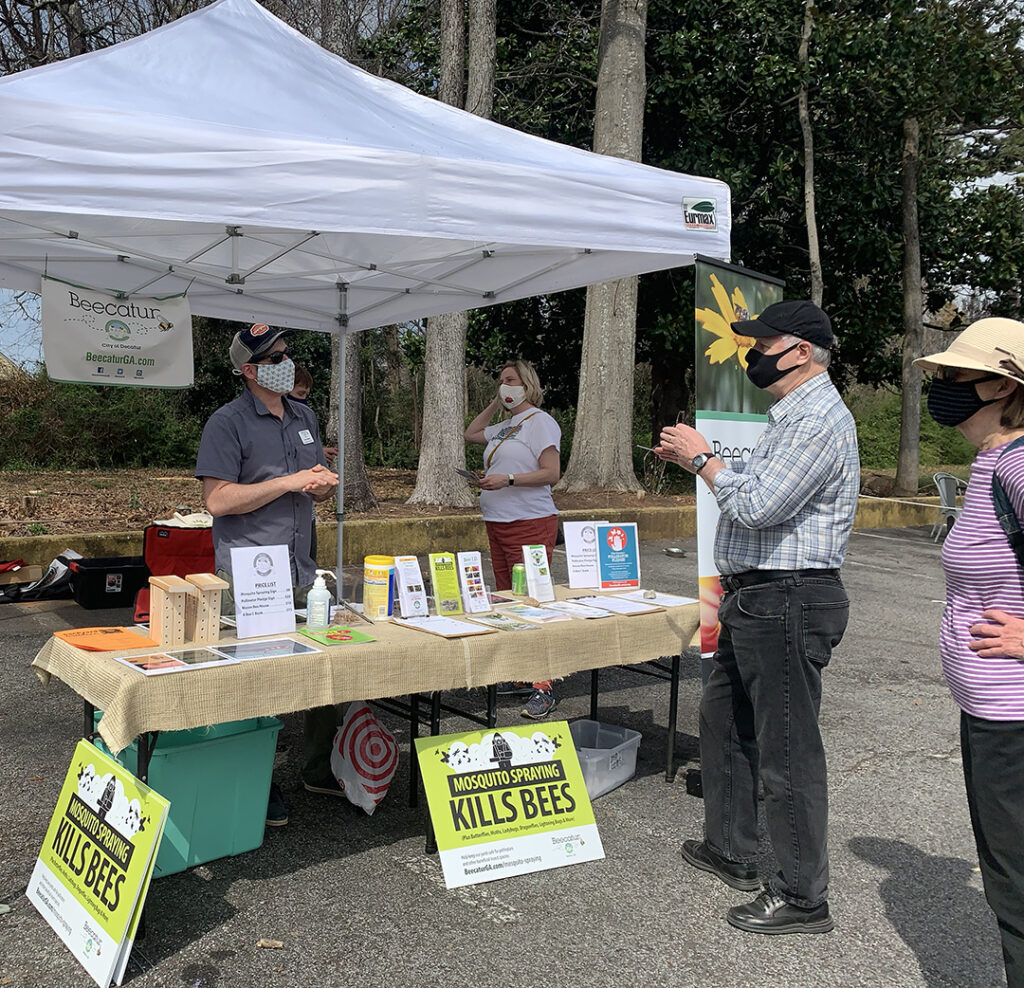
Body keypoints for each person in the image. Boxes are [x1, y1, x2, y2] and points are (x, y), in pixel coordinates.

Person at [656, 299, 859, 934]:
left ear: (800, 351)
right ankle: (734, 848)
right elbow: (759, 488)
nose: (753, 352)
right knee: (724, 721)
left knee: (787, 750)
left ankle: (803, 897)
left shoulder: (818, 420)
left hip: (790, 598)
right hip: (757, 597)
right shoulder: (791, 416)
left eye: (763, 341)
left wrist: (701, 459)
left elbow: (760, 506)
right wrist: (710, 463)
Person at [195, 324, 343, 826]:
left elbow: (311, 481)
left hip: (305, 567)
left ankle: (319, 767)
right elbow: (216, 500)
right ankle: (258, 781)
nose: (288, 359)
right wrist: (290, 482)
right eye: (276, 355)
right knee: (253, 685)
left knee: (326, 669)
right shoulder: (227, 422)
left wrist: (320, 485)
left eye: (287, 351)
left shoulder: (304, 416)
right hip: (251, 574)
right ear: (250, 370)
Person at [914, 317, 1024, 987]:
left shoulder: (1017, 463)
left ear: (1001, 384)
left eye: (954, 375)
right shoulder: (993, 462)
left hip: (1012, 714)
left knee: (1014, 885)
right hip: (992, 709)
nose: (943, 386)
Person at [464, 359, 562, 719]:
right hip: (498, 520)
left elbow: (551, 472)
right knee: (507, 599)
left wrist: (507, 480)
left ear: (527, 384)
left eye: (511, 381)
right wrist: (495, 402)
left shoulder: (540, 422)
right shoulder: (506, 426)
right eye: (500, 380)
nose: (505, 385)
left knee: (532, 599)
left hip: (531, 521)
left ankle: (544, 683)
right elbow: (472, 433)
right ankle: (522, 673)